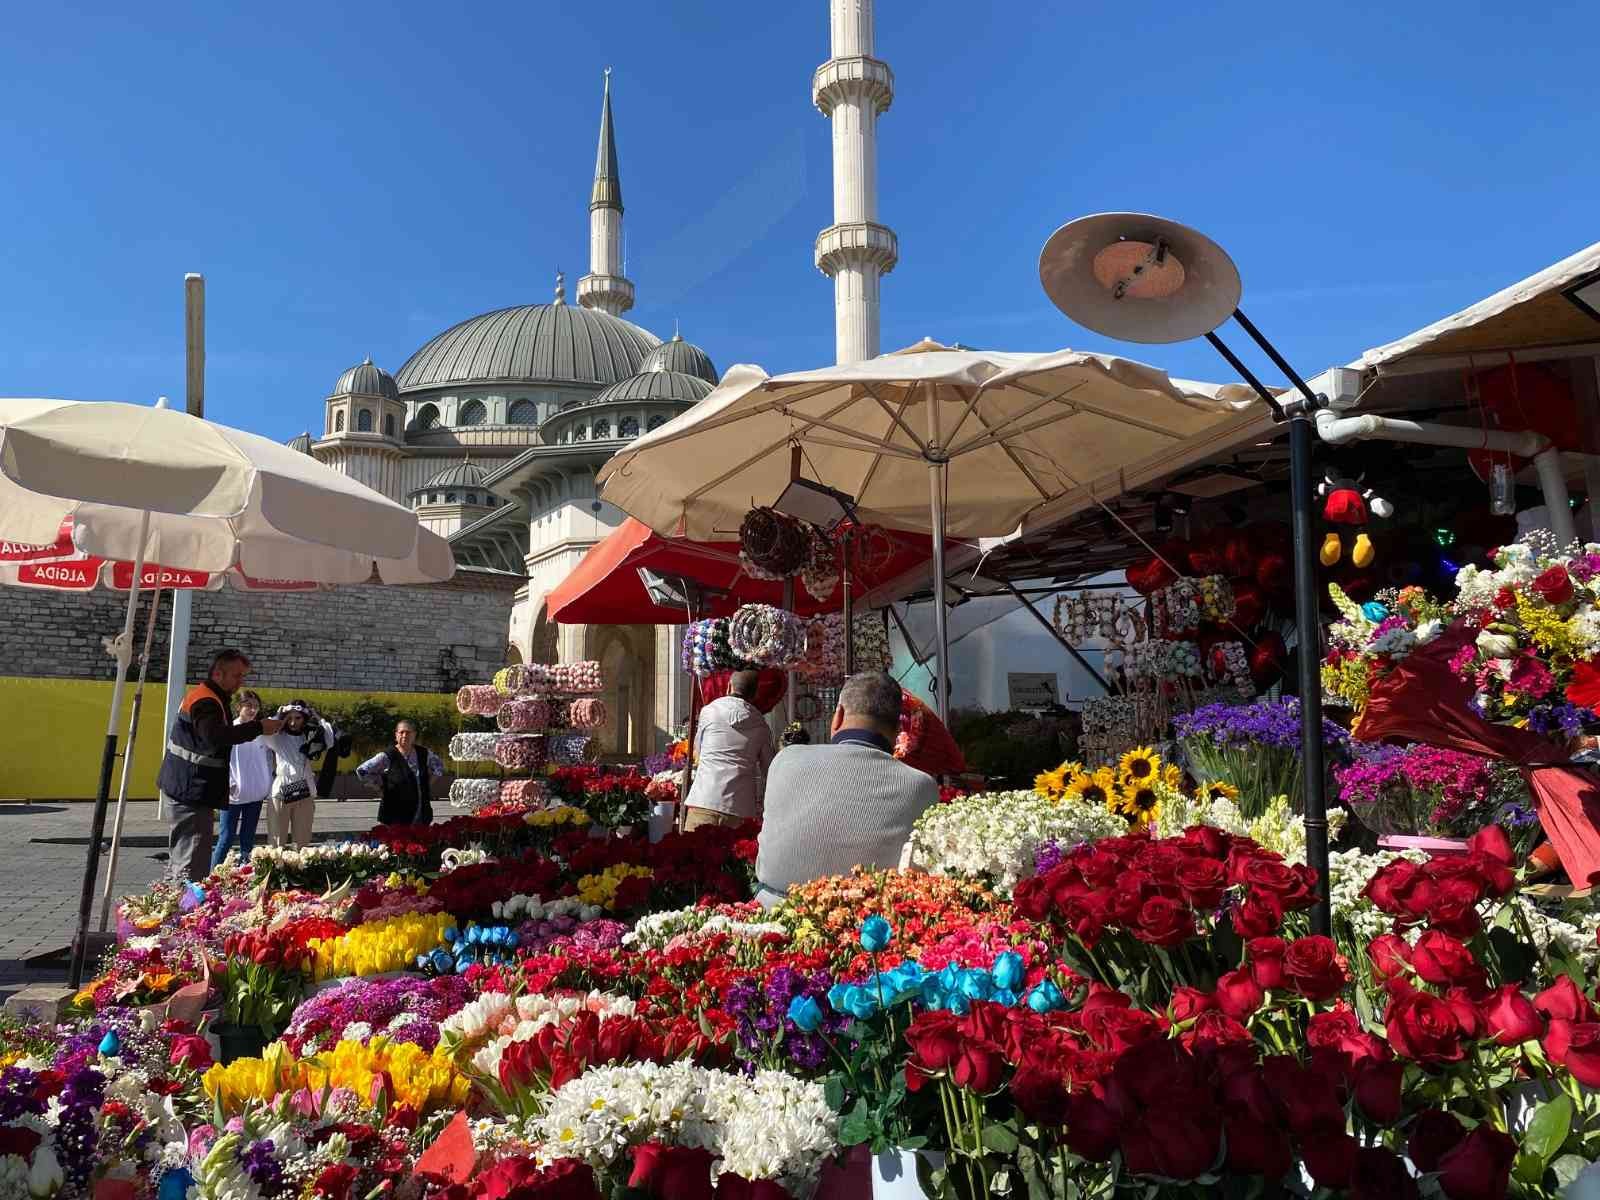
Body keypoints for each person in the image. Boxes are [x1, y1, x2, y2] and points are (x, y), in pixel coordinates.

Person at [753, 672, 939, 908]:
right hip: (861, 932)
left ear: (838, 716)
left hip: (768, 919)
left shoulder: (785, 760)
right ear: (897, 731)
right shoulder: (921, 786)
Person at [158, 648, 282, 882]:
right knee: (191, 860)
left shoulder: (210, 696)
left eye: (242, 676)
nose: (240, 682)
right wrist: (259, 728)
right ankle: (184, 909)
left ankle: (178, 901)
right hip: (190, 789)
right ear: (218, 674)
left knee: (187, 854)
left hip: (189, 787)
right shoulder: (206, 700)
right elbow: (215, 736)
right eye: (237, 676)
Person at [682, 670, 776, 830]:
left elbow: (698, 750)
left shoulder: (709, 712)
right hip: (739, 807)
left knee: (694, 853)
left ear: (729, 687)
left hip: (705, 799)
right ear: (754, 695)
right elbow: (770, 769)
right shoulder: (761, 725)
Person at [260, 699, 335, 848]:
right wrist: (278, 716)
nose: (293, 722)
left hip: (304, 793)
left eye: (298, 718)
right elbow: (265, 733)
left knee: (302, 843)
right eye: (290, 718)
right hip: (281, 793)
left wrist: (318, 717)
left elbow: (330, 740)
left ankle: (299, 871)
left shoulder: (310, 737)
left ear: (305, 718)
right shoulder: (277, 738)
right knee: (276, 843)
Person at [211, 689, 272, 869]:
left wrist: (267, 782)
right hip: (233, 795)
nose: (253, 710)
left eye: (256, 707)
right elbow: (221, 758)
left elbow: (268, 759)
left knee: (247, 838)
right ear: (239, 707)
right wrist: (229, 783)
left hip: (256, 794)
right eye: (248, 706)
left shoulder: (262, 733)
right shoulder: (231, 730)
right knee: (226, 837)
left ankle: (244, 873)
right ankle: (211, 875)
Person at [356, 719, 443, 825]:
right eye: (401, 732)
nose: (405, 735)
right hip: (394, 813)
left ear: (414, 735)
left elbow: (439, 766)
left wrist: (427, 785)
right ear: (396, 735)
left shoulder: (423, 753)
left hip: (420, 812)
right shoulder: (387, 755)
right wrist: (378, 787)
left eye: (408, 732)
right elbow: (362, 770)